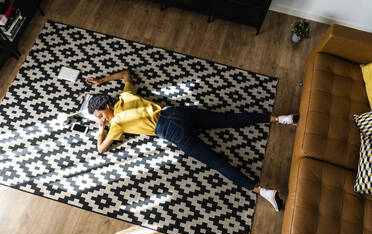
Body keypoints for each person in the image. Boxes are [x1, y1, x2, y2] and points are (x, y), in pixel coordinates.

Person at [86, 70, 298, 212]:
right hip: (177, 113)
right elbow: (126, 74)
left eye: (99, 115)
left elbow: (101, 149)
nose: (101, 119)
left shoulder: (116, 125)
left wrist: (101, 128)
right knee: (227, 119)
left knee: (217, 162)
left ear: (106, 108)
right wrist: (101, 81)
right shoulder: (126, 97)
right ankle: (283, 119)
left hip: (171, 131)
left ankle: (264, 192)